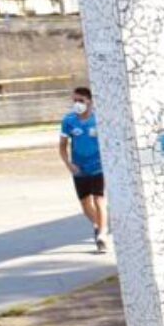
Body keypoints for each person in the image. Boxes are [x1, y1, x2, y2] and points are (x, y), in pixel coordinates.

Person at [58, 86, 108, 254]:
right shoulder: (69, 121)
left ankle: (102, 235)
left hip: (98, 167)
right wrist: (69, 164)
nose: (77, 104)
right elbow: (62, 147)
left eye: (81, 100)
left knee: (98, 200)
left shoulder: (99, 119)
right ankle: (98, 224)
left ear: (90, 101)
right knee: (85, 204)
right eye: (75, 101)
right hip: (79, 169)